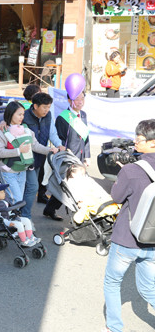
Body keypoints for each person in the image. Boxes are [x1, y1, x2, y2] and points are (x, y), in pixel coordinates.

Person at [103, 119, 155, 332]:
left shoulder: (132, 170)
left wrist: (123, 174)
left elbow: (116, 196)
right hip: (152, 240)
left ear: (152, 142)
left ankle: (114, 328)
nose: (135, 142)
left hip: (127, 238)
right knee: (149, 288)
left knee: (112, 282)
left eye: (139, 139)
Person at [0, 101, 56, 218]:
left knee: (17, 199)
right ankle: (13, 226)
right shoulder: (0, 131)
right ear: (10, 114)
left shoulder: (26, 129)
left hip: (22, 170)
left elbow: (35, 146)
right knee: (16, 199)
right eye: (19, 114)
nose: (22, 117)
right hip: (8, 171)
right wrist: (18, 151)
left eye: (23, 114)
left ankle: (14, 225)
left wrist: (51, 150)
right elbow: (0, 153)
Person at [46, 91, 91, 218]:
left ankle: (50, 209)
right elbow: (59, 139)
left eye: (82, 98)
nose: (80, 101)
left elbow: (86, 137)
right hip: (68, 157)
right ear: (70, 100)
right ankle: (76, 212)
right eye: (77, 99)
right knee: (67, 185)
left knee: (70, 185)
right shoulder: (62, 117)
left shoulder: (83, 115)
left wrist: (87, 155)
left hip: (80, 156)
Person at [21, 93, 64, 219]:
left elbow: (52, 133)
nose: (47, 110)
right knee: (32, 187)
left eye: (49, 107)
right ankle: (25, 216)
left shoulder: (48, 116)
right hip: (26, 159)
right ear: (35, 106)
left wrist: (59, 145)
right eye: (44, 107)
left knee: (30, 188)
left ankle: (22, 215)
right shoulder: (24, 117)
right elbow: (9, 122)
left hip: (40, 158)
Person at [0, 180, 40, 247]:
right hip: (5, 221)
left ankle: (30, 237)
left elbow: (10, 207)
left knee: (27, 220)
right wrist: (8, 222)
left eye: (4, 191)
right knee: (19, 225)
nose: (4, 193)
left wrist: (15, 212)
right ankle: (24, 241)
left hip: (11, 217)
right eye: (2, 192)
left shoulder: (4, 199)